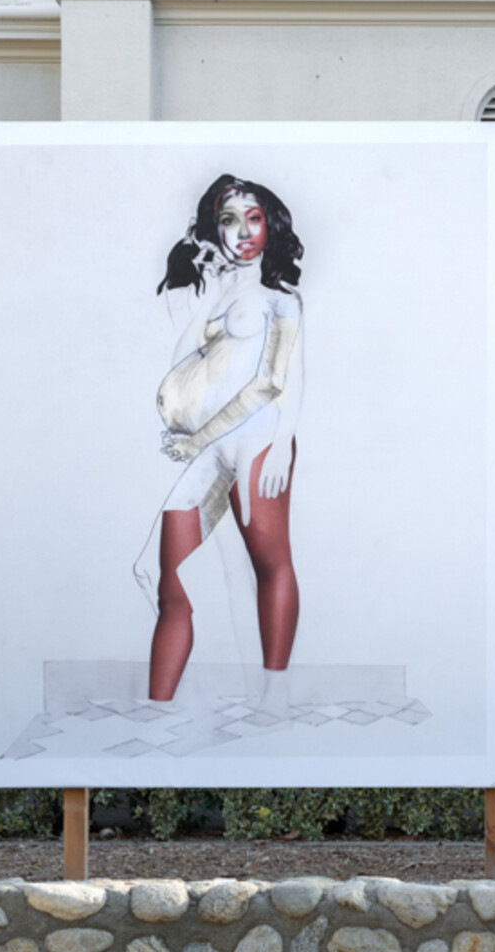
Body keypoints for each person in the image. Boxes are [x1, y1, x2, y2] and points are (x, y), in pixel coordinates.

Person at [139, 174, 305, 706]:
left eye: (253, 217)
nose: (242, 231)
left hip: (258, 440)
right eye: (229, 220)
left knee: (270, 563)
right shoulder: (217, 291)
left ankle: (273, 695)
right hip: (210, 447)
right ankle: (156, 709)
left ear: (269, 223)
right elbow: (180, 368)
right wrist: (210, 296)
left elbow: (275, 381)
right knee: (163, 574)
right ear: (215, 228)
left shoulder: (282, 298)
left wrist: (283, 442)